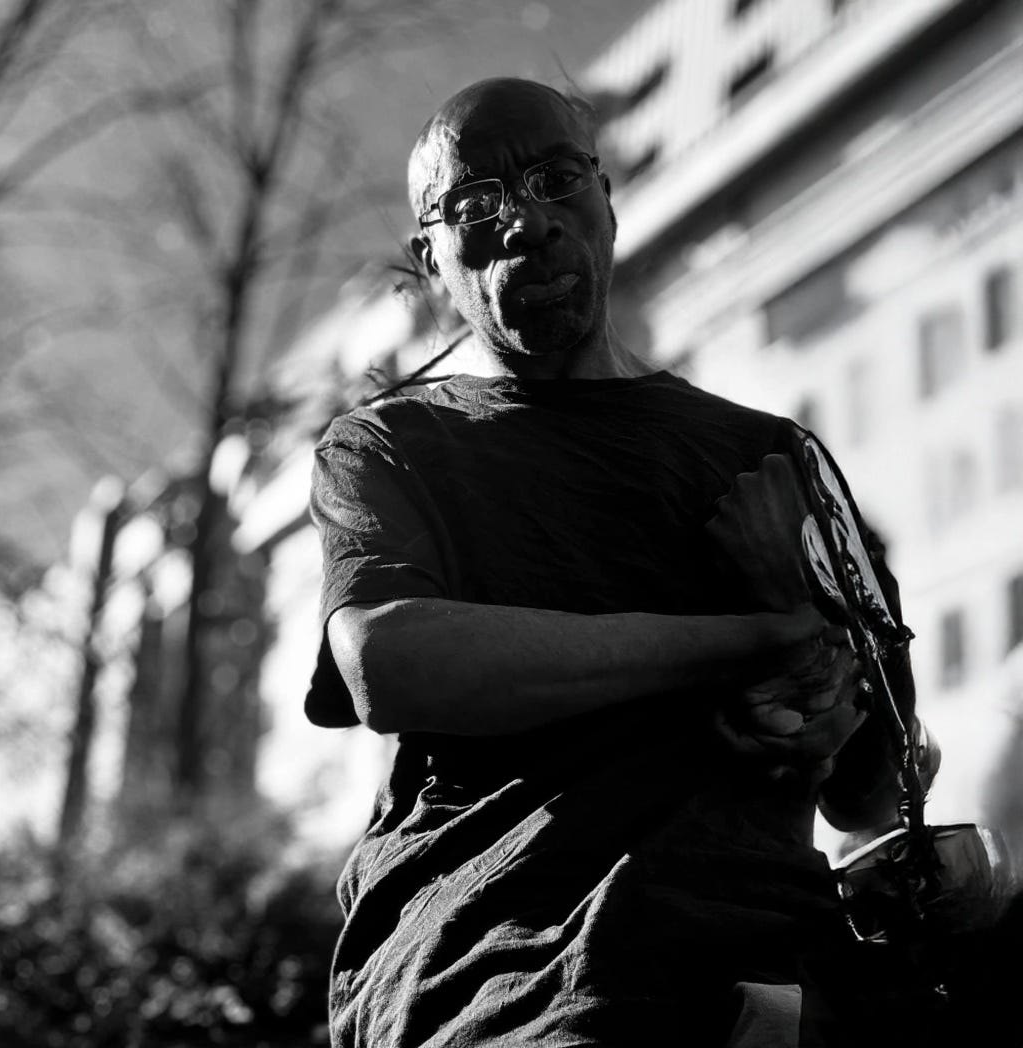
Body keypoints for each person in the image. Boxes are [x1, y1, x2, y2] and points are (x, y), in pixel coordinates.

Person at [305, 77, 933, 1047]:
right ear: (431, 258)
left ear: (604, 197)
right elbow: (388, 660)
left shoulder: (774, 459)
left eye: (556, 179)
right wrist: (756, 637)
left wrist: (822, 682)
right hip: (493, 964)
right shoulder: (391, 446)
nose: (526, 223)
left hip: (775, 971)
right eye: (474, 204)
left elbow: (871, 792)